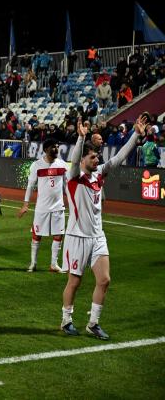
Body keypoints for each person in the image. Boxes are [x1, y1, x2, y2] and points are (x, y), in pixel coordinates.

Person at [60, 116, 147, 340]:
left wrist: (135, 135)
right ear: (82, 160)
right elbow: (75, 160)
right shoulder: (74, 178)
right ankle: (66, 320)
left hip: (98, 236)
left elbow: (117, 159)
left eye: (97, 156)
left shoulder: (99, 174)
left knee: (104, 279)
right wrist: (80, 139)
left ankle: (93, 323)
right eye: (92, 157)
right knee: (75, 281)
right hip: (77, 236)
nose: (96, 159)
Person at [17, 139, 68, 273]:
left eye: (57, 146)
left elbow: (67, 185)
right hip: (42, 208)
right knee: (36, 234)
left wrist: (73, 203)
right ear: (45, 150)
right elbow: (30, 185)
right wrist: (25, 204)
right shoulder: (37, 165)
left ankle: (53, 264)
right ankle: (33, 263)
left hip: (58, 207)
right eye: (53, 147)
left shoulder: (62, 164)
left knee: (58, 234)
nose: (56, 149)